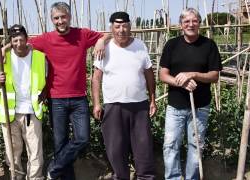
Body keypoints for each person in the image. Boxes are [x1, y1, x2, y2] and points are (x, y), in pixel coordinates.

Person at [27, 2, 109, 179]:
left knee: (83, 138)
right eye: (56, 18)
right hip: (56, 99)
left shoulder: (82, 34)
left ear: (69, 17)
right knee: (60, 143)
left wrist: (101, 40)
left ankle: (54, 168)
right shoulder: (46, 39)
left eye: (63, 17)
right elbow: (22, 43)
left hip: (79, 98)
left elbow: (109, 34)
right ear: (51, 20)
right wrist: (3, 49)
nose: (60, 21)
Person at [91, 11, 157, 180]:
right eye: (117, 26)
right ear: (112, 28)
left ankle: (145, 177)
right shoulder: (104, 48)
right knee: (116, 149)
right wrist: (97, 103)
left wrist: (152, 100)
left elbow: (149, 74)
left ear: (130, 26)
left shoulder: (140, 45)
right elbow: (96, 77)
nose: (121, 30)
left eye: (125, 26)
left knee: (143, 149)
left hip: (139, 106)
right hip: (113, 106)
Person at [159, 8, 222, 180]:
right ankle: (173, 178)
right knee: (170, 146)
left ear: (199, 23)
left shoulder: (209, 45)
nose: (190, 24)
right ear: (181, 25)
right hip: (175, 106)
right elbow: (163, 75)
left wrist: (193, 75)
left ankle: (191, 178)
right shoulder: (172, 45)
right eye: (186, 21)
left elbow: (214, 76)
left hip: (200, 107)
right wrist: (182, 82)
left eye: (194, 21)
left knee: (196, 146)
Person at [0, 24, 46, 180]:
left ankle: (35, 177)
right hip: (10, 111)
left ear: (27, 39)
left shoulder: (39, 57)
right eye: (15, 40)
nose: (19, 43)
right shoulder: (2, 58)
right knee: (12, 150)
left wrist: (42, 98)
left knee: (35, 149)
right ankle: (16, 176)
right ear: (11, 41)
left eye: (21, 39)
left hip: (32, 111)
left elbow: (47, 81)